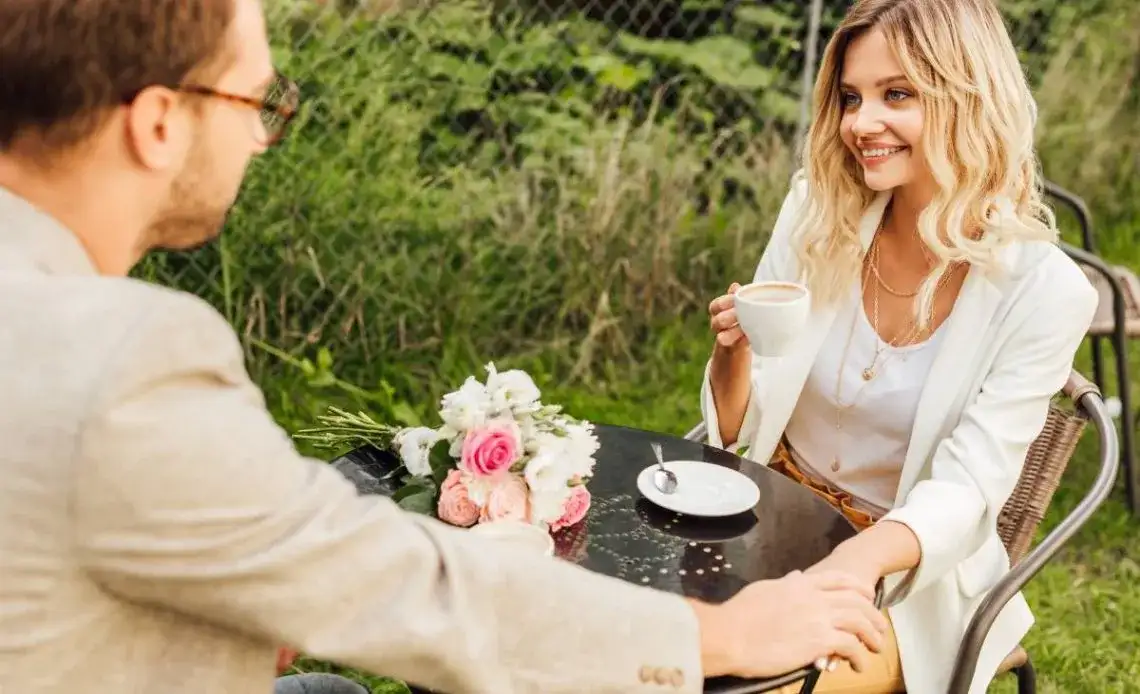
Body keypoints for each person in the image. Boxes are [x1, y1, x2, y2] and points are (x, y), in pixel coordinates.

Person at [0, 1, 889, 693]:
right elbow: (403, 590)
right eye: (254, 102)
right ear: (158, 122)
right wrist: (723, 633)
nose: (261, 138)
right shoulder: (125, 355)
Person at [701, 0, 1098, 693]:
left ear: (969, 99)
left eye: (897, 95)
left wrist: (846, 568)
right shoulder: (816, 212)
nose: (860, 123)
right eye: (852, 97)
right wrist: (732, 356)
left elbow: (967, 491)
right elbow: (737, 431)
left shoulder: (1047, 292)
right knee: (631, 640)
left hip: (904, 578)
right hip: (764, 514)